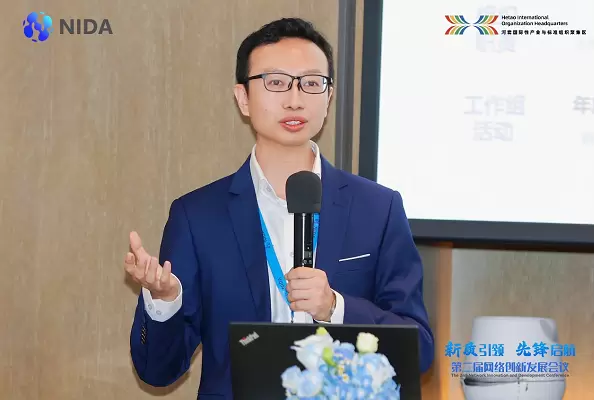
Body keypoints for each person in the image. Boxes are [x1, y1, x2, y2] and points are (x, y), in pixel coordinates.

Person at [125, 17, 434, 399]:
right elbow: (158, 371)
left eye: (311, 83)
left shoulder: (378, 208)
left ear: (329, 97)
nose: (294, 99)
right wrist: (165, 301)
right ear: (243, 98)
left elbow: (418, 349)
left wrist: (335, 308)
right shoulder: (198, 217)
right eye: (275, 82)